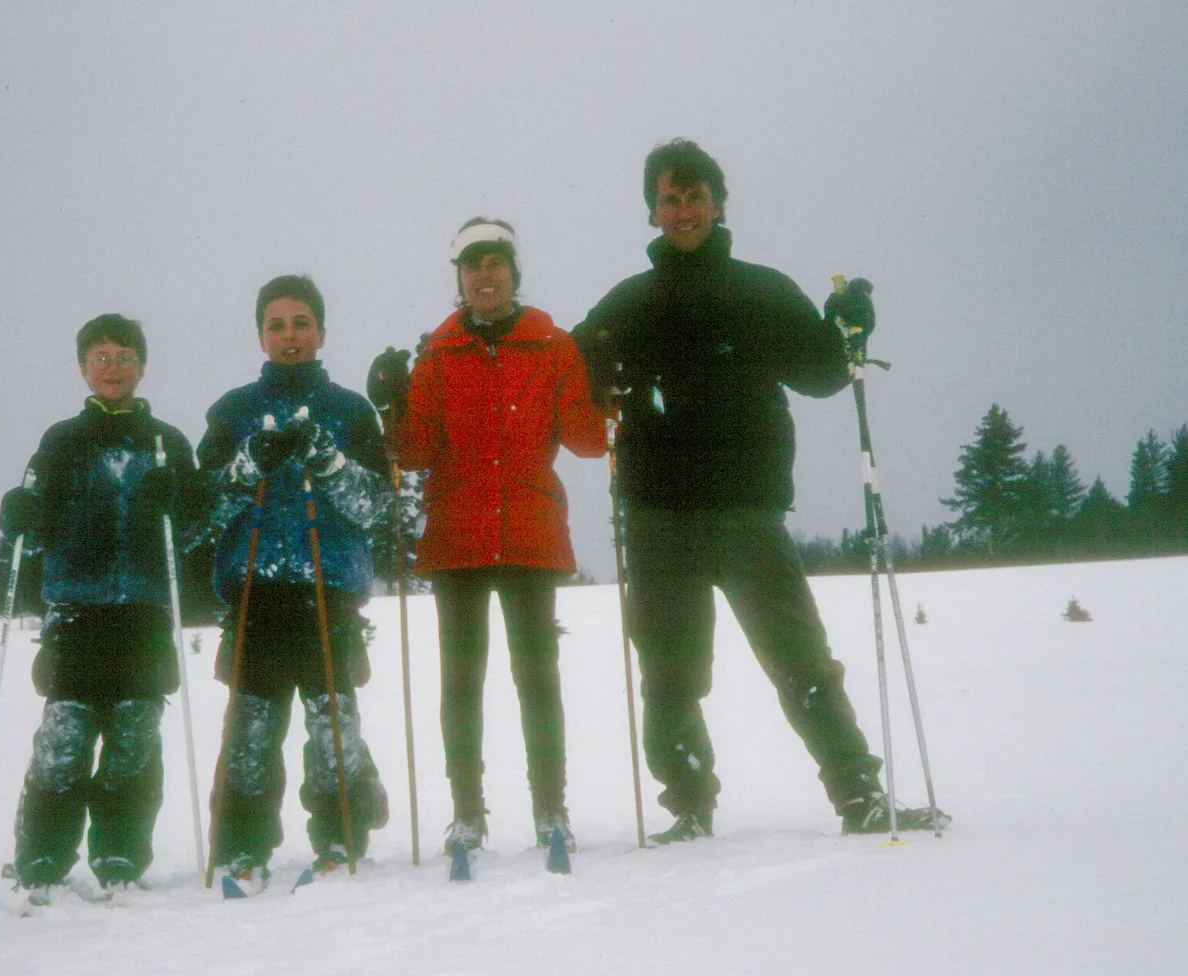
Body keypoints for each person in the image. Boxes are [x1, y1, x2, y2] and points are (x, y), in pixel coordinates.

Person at [572, 139, 946, 840]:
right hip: (657, 514)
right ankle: (688, 805)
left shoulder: (762, 291)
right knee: (670, 674)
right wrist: (591, 366)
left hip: (747, 508)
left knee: (801, 660)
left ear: (718, 203)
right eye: (669, 199)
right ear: (652, 212)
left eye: (694, 197)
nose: (683, 211)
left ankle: (858, 793)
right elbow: (572, 383)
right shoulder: (627, 303)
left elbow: (822, 373)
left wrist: (849, 327)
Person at [367, 219, 607, 856]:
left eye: (495, 262)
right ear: (459, 277)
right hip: (457, 538)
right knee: (461, 682)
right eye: (472, 265)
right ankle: (467, 811)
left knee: (537, 678)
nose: (484, 275)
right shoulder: (438, 355)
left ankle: (550, 807)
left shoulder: (553, 347)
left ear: (513, 271)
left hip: (530, 532)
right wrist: (391, 408)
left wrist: (607, 391)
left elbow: (588, 442)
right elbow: (414, 453)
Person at [0, 313, 204, 901]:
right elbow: (33, 526)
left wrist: (184, 504)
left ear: (142, 365)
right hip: (78, 613)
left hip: (142, 613)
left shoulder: (167, 442)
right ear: (83, 367)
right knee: (64, 740)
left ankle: (120, 851)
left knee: (134, 739)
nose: (114, 368)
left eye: (124, 357)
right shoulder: (62, 440)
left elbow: (191, 534)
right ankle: (42, 855)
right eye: (102, 357)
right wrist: (20, 515)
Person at [199, 274, 390, 888]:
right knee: (251, 731)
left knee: (331, 726)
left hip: (328, 590)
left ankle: (340, 837)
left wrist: (328, 461)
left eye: (301, 324)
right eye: (277, 325)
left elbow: (378, 509)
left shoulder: (350, 410)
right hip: (256, 592)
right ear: (260, 334)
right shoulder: (231, 412)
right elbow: (201, 511)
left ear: (321, 332)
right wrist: (248, 462)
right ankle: (241, 846)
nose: (289, 336)